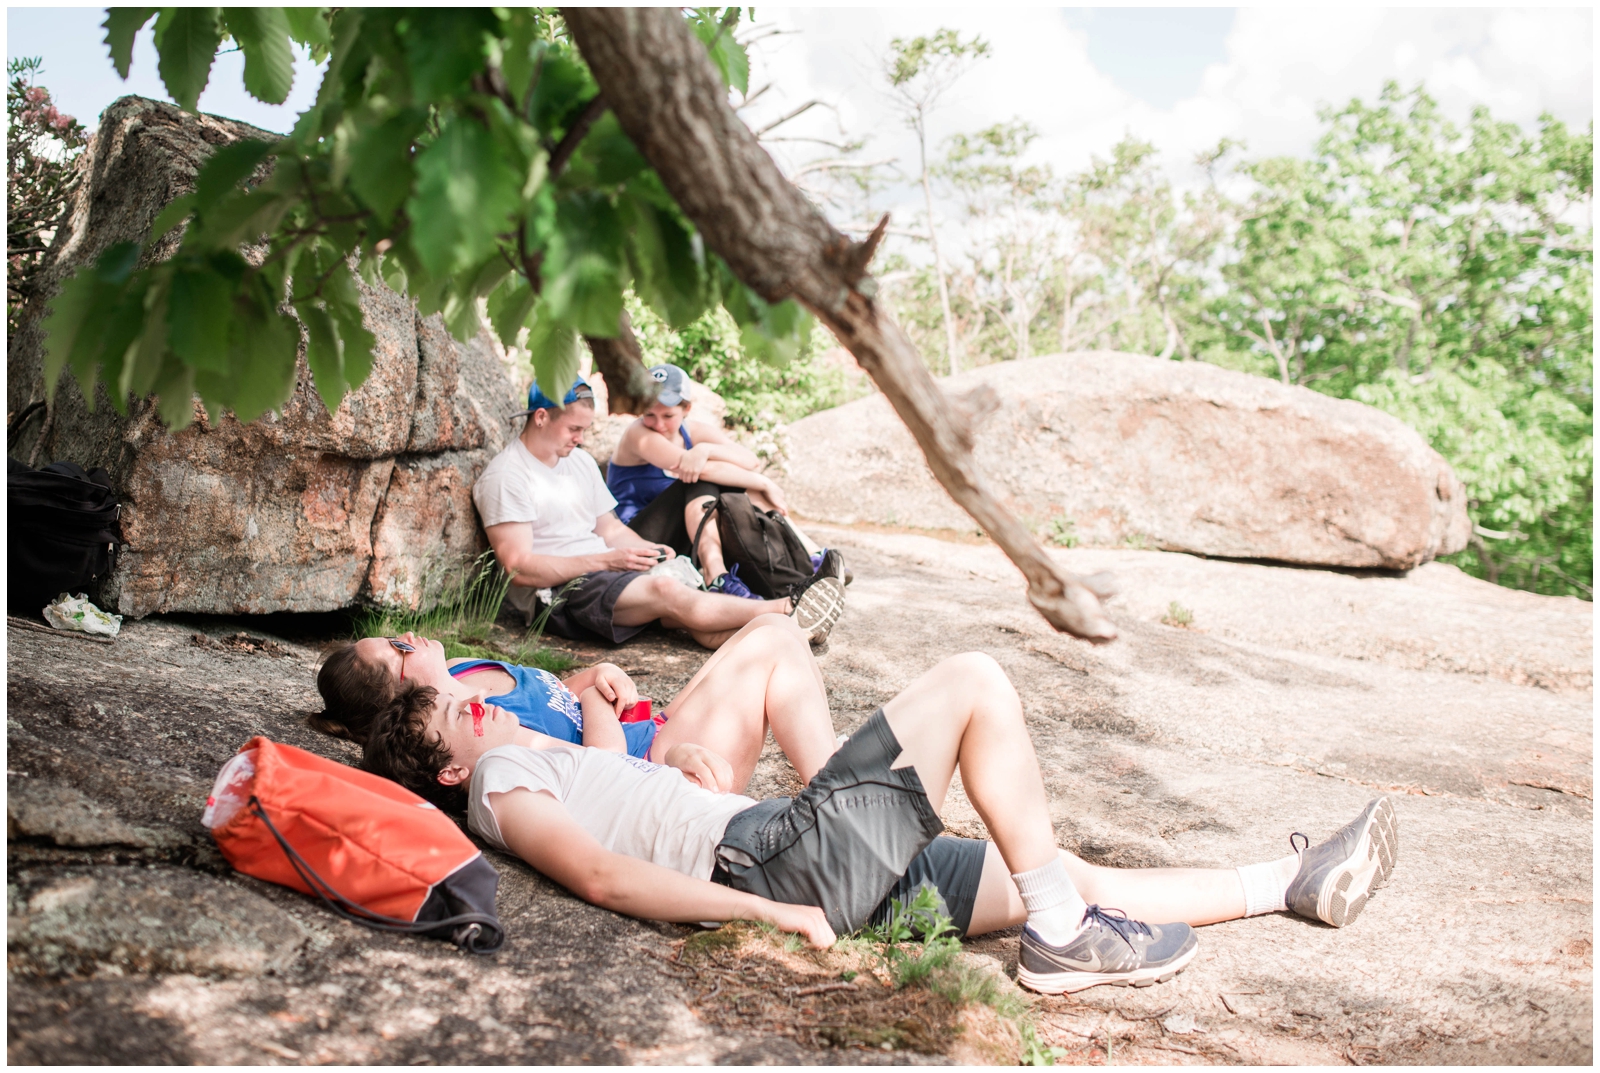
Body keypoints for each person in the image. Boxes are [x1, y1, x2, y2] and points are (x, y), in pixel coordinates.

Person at [360, 646, 1400, 995]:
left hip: (786, 843)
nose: (480, 698)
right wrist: (771, 918)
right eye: (461, 707)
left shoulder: (530, 755)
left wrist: (598, 696)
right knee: (973, 680)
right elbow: (601, 877)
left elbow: (600, 767)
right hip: (776, 859)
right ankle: (1057, 941)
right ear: (451, 762)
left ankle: (1287, 882)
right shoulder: (497, 784)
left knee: (1062, 862)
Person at [471, 376, 845, 650]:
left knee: (684, 605)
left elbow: (611, 529)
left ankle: (790, 636)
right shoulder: (507, 476)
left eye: (585, 429)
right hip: (557, 596)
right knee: (668, 590)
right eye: (574, 428)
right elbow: (518, 568)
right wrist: (607, 562)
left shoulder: (579, 462)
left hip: (603, 571)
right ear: (540, 417)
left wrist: (649, 552)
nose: (581, 438)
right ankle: (788, 609)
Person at [312, 617, 839, 794]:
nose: (409, 635)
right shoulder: (472, 732)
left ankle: (827, 757)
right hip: (659, 764)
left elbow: (553, 694)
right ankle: (841, 790)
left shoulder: (466, 672)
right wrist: (593, 698)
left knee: (775, 627)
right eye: (399, 650)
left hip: (656, 728)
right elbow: (591, 765)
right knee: (773, 650)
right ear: (401, 690)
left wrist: (596, 676)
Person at [607, 364, 829, 595]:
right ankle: (717, 578)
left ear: (687, 409)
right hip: (637, 537)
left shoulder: (693, 431)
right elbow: (696, 470)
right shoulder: (638, 433)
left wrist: (705, 450)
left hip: (681, 535)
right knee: (698, 478)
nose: (659, 424)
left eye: (668, 415)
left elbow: (749, 460)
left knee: (726, 482)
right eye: (649, 414)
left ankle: (810, 553)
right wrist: (763, 482)